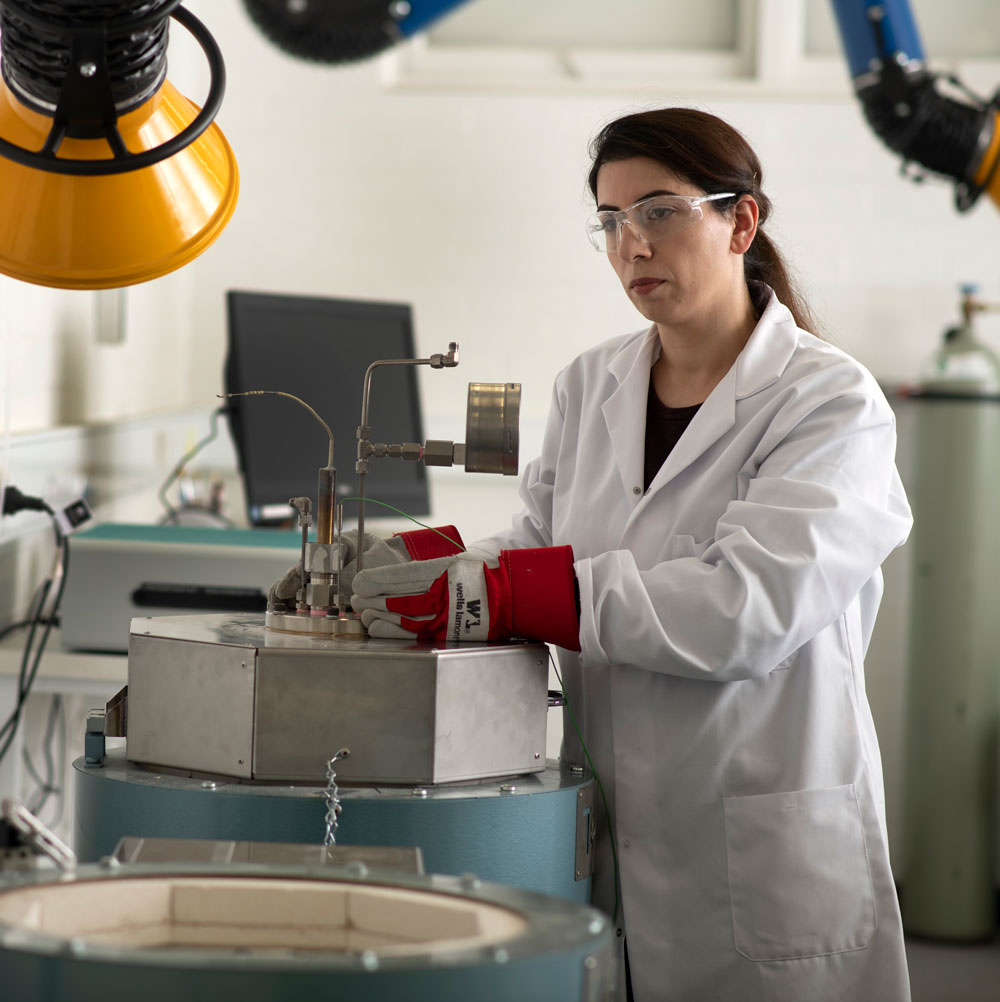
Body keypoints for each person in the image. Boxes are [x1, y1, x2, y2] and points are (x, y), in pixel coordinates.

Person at [352, 107, 913, 1002]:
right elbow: (536, 546)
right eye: (610, 222)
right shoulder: (591, 382)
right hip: (613, 826)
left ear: (741, 221)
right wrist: (415, 562)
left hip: (764, 836)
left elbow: (746, 609)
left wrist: (505, 589)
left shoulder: (829, 401)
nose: (631, 246)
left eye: (658, 211)